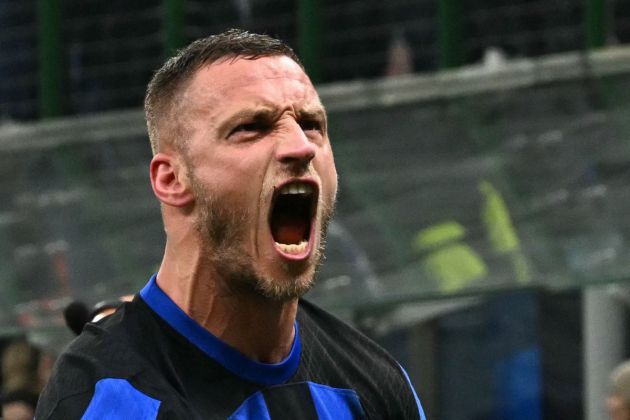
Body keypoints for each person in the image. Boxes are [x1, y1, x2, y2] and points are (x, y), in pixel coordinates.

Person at [36, 29, 427, 419]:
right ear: (172, 180)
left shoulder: (374, 386)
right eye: (252, 127)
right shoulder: (109, 401)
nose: (301, 146)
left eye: (311, 124)